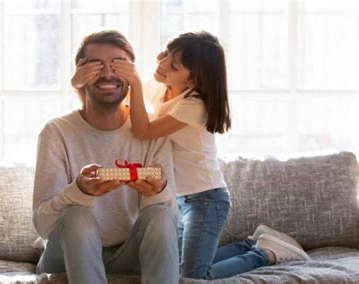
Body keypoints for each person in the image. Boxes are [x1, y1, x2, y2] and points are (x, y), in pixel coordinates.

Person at [72, 30, 310, 280]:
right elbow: (120, 98)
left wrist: (136, 82)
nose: (162, 64)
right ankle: (250, 244)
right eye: (164, 55)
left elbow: (143, 130)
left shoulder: (195, 105)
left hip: (206, 199)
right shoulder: (166, 88)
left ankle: (264, 254)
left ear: (193, 79)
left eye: (172, 65)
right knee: (176, 266)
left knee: (194, 278)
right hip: (179, 199)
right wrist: (84, 80)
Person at [32, 30, 179, 284]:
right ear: (80, 75)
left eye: (118, 65)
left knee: (160, 214)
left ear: (132, 74)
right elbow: (43, 225)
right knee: (77, 214)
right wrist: (78, 191)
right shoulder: (56, 132)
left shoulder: (154, 131)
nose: (109, 74)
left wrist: (156, 191)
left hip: (129, 254)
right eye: (97, 66)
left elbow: (169, 223)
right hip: (65, 254)